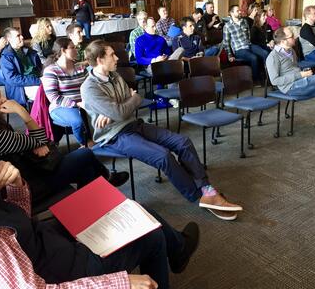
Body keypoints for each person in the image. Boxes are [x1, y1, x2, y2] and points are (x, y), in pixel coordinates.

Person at [0, 124, 200, 289]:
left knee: (125, 208)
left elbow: (16, 227)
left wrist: (15, 186)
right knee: (151, 236)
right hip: (58, 271)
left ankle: (176, 250)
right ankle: (173, 255)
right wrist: (122, 284)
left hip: (43, 246)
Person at [81, 40, 243, 221]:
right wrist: (123, 106)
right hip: (115, 135)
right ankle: (197, 196)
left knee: (183, 142)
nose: (117, 57)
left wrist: (118, 109)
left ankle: (206, 188)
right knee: (163, 156)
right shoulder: (89, 87)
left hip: (133, 124)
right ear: (100, 60)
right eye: (112, 55)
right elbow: (125, 106)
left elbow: (132, 101)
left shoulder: (115, 75)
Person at [0, 77, 129, 202]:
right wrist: (22, 112)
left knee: (87, 170)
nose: (4, 99)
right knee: (85, 154)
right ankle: (104, 184)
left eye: (1, 94)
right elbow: (40, 138)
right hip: (28, 186)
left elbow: (32, 141)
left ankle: (93, 205)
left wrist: (34, 143)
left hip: (27, 174)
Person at [42, 38, 90, 147]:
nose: (76, 50)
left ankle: (98, 140)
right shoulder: (51, 70)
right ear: (63, 51)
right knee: (78, 121)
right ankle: (84, 144)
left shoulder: (81, 68)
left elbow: (90, 88)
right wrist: (76, 104)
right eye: (72, 48)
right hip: (61, 107)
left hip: (83, 104)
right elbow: (53, 97)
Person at [0, 27, 42, 106]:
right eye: (18, 36)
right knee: (45, 92)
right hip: (22, 87)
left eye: (21, 35)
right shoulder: (6, 58)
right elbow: (13, 79)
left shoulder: (29, 51)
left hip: (38, 79)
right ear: (9, 39)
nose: (22, 37)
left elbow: (39, 68)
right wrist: (39, 81)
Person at [223, 4, 263, 82]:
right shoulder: (227, 26)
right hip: (239, 49)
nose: (240, 12)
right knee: (254, 58)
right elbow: (226, 43)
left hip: (249, 45)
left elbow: (248, 35)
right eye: (237, 11)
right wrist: (230, 55)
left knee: (264, 53)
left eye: (239, 10)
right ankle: (255, 80)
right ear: (231, 13)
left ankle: (266, 76)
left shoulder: (244, 21)